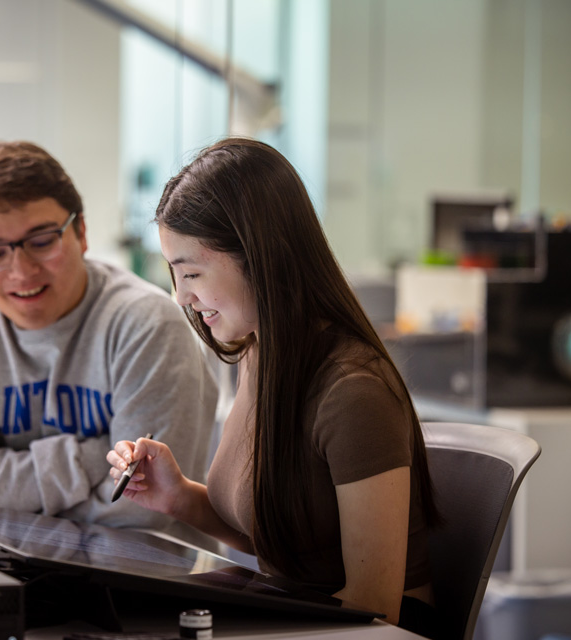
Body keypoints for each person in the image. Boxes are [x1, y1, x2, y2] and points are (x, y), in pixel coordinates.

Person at [106, 137, 442, 637]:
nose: (181, 297)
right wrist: (179, 498)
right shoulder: (261, 353)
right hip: (298, 615)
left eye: (191, 273)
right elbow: (284, 546)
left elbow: (373, 608)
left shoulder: (354, 393)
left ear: (260, 257)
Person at [0, 140, 219, 546]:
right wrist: (88, 458)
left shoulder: (146, 325)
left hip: (143, 582)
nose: (22, 270)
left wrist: (5, 501)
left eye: (41, 241)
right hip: (1, 570)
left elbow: (139, 508)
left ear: (81, 232)